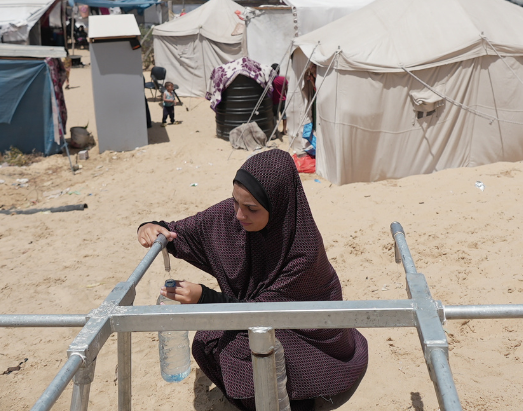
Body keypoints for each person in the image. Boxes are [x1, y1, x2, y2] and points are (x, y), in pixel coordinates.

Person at [136, 149, 368, 410]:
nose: (238, 215)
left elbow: (261, 314)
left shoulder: (302, 251)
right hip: (253, 313)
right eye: (235, 201)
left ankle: (302, 400)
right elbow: (181, 233)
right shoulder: (234, 216)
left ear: (278, 204)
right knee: (206, 342)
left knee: (241, 355)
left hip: (307, 336)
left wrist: (204, 297)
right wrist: (151, 227)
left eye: (251, 208)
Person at [269, 63, 288, 136]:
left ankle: (275, 131)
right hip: (283, 100)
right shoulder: (283, 79)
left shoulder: (271, 81)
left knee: (274, 117)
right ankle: (284, 130)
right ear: (279, 70)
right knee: (284, 116)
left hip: (275, 101)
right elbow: (287, 90)